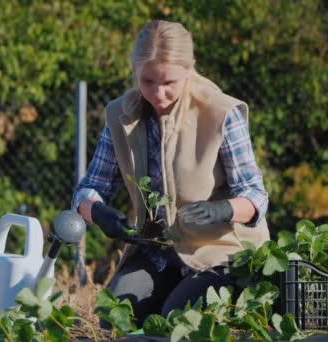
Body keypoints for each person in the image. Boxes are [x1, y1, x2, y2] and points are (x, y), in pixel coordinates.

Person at [72, 20, 270, 327]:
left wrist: (223, 209)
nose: (158, 93)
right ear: (135, 69)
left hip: (219, 253)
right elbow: (89, 188)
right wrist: (98, 212)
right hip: (156, 252)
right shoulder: (119, 116)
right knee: (114, 318)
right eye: (148, 81)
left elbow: (255, 194)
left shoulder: (221, 113)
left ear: (190, 69)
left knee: (176, 321)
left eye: (169, 83)